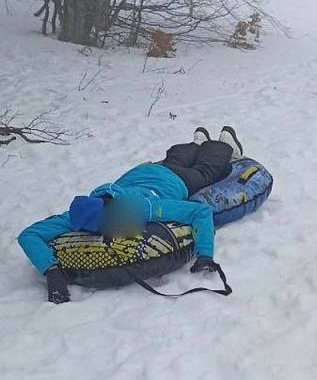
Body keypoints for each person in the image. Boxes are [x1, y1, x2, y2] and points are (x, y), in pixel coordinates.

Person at [17, 127, 244, 304]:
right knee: (173, 160)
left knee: (206, 171)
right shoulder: (76, 215)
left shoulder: (140, 208)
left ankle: (224, 144)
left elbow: (200, 211)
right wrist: (51, 270)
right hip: (142, 172)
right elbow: (28, 235)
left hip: (175, 180)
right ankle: (197, 142)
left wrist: (205, 254)